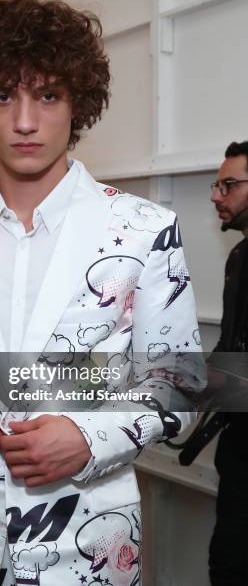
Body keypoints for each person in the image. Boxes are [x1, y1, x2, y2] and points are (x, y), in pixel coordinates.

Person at [0, 0, 202, 585]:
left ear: (78, 102)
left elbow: (178, 379)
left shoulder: (143, 229)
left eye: (47, 95)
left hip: (90, 549)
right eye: (4, 96)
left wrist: (89, 435)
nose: (25, 121)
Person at [208, 141, 248, 585]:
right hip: (239, 450)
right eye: (217, 185)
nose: (217, 196)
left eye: (229, 185)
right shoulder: (239, 258)